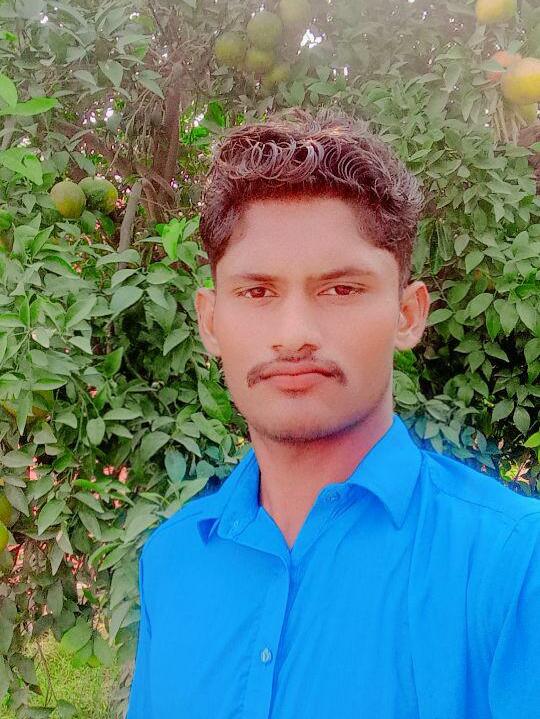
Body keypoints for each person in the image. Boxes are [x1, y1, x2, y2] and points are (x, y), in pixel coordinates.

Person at [125, 107, 540, 718]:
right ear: (211, 321)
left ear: (408, 314)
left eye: (341, 289)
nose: (294, 333)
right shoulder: (174, 559)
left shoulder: (514, 563)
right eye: (256, 291)